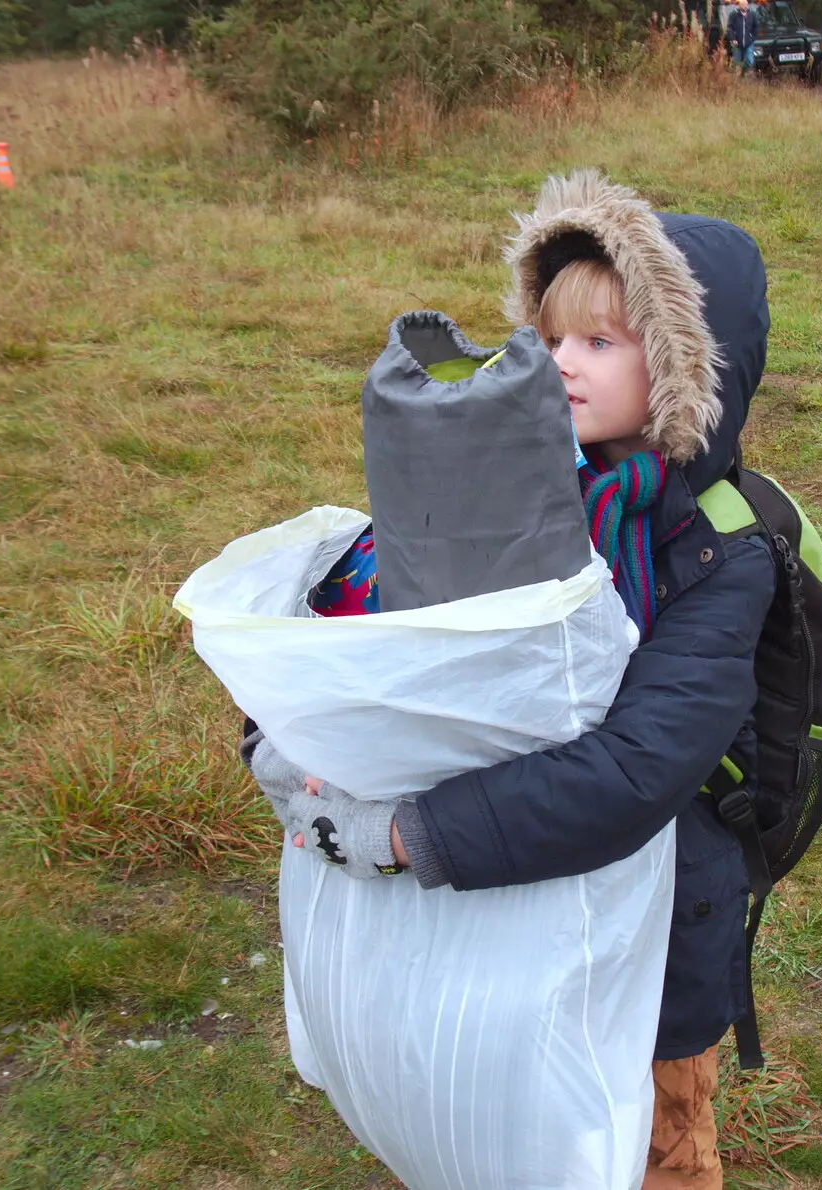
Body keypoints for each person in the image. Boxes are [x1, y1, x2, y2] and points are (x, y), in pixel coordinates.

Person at [244, 171, 774, 1190]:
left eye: (603, 342)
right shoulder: (508, 490)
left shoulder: (715, 556)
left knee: (650, 1142)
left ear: (682, 368)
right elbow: (373, 628)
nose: (561, 364)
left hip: (655, 946)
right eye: (551, 337)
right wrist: (278, 735)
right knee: (494, 1123)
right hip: (499, 932)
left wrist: (402, 834)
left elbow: (632, 772)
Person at [727, 0, 759, 73]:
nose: (745, 6)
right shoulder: (734, 14)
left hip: (749, 42)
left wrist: (752, 38)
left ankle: (747, 76)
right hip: (737, 43)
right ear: (739, 5)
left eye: (746, 4)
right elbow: (730, 28)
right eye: (743, 4)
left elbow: (756, 27)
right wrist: (733, 39)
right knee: (737, 61)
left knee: (749, 61)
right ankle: (737, 78)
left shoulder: (752, 14)